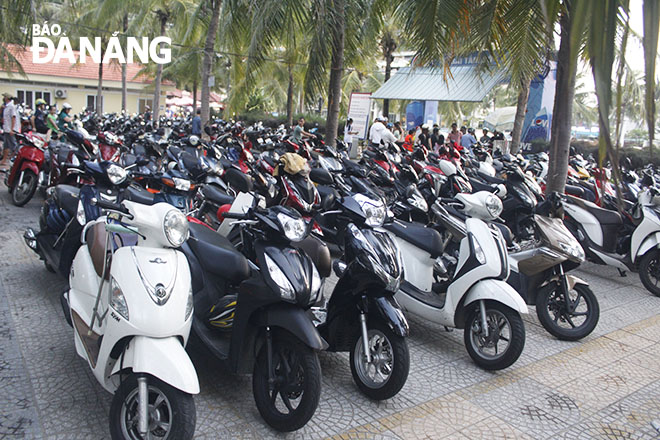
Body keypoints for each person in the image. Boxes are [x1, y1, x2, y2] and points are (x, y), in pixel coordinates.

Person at [1, 92, 20, 169]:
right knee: (6, 145)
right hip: (6, 128)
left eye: (4, 97)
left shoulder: (11, 106)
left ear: (7, 98)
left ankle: (15, 160)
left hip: (10, 129)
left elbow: (13, 117)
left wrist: (12, 129)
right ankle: (4, 160)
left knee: (13, 145)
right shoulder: (6, 106)